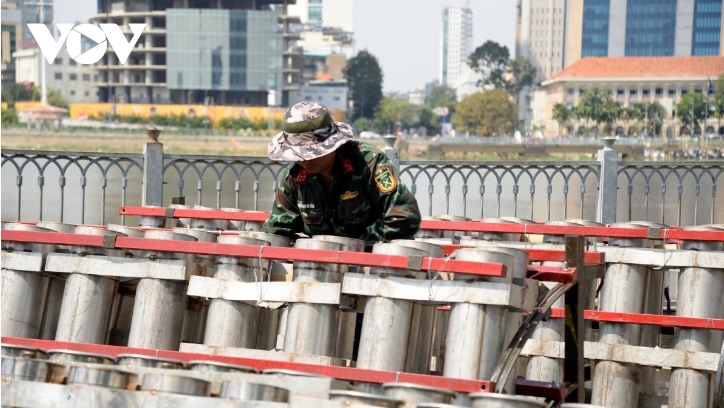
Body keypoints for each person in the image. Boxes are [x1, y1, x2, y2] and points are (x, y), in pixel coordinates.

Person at [264, 101, 421, 250]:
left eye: (311, 153)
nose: (304, 160)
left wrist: (356, 245)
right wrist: (307, 251)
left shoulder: (368, 162)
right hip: (320, 267)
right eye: (297, 155)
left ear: (333, 145)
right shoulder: (295, 176)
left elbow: (405, 217)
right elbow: (277, 230)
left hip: (373, 261)